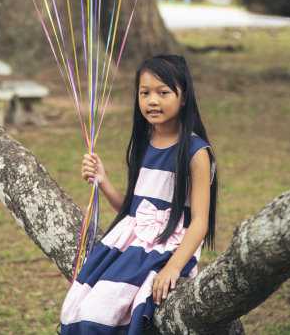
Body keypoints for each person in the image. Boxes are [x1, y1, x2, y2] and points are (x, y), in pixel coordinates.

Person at [60, 54, 217, 334]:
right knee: (87, 305)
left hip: (168, 247)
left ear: (183, 97)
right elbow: (132, 211)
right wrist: (103, 179)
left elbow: (200, 223)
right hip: (128, 244)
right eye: (144, 93)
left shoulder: (196, 152)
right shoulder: (144, 144)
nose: (152, 101)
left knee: (112, 309)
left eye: (163, 92)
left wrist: (172, 267)